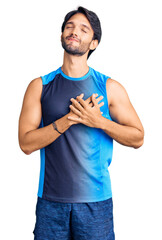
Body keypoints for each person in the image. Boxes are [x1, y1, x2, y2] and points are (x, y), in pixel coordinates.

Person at [18, 6, 144, 240]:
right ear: (61, 36)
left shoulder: (109, 88)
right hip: (50, 203)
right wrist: (67, 121)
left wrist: (99, 121)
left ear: (94, 43)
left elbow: (138, 137)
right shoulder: (40, 86)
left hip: (96, 205)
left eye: (84, 29)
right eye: (69, 27)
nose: (74, 31)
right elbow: (25, 143)